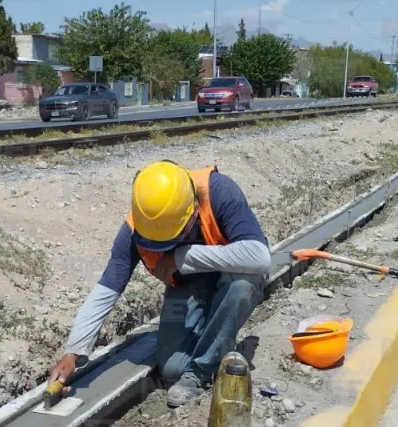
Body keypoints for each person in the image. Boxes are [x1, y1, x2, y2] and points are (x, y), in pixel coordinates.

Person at [47, 160, 271, 409]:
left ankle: (201, 372)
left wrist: (182, 256)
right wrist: (73, 352)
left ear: (193, 212)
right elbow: (108, 288)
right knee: (172, 368)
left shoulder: (219, 192)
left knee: (242, 286)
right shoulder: (136, 228)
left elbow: (259, 257)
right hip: (193, 282)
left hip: (232, 274)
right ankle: (216, 339)